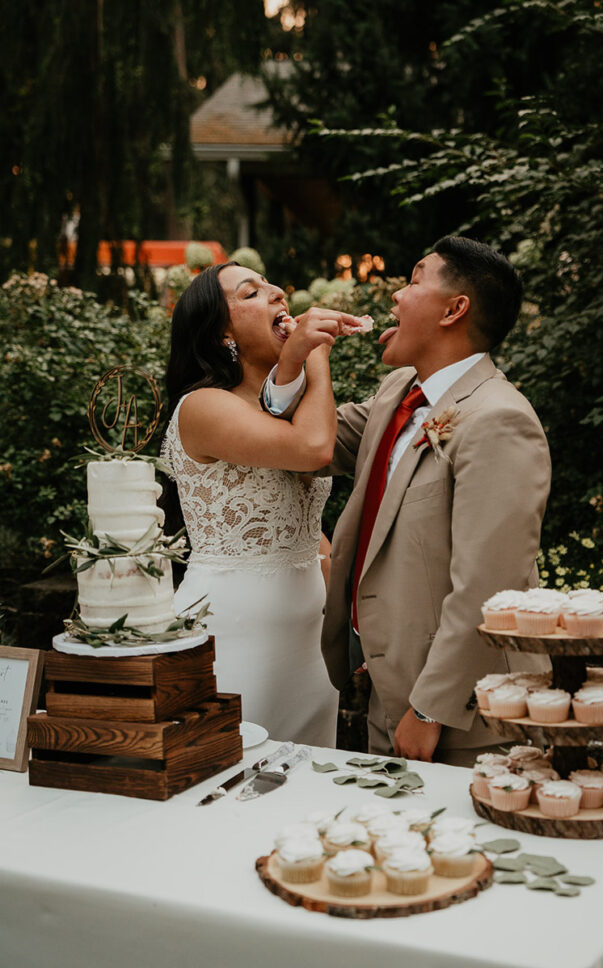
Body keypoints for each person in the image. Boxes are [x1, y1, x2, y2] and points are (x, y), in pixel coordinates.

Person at [263, 235, 551, 765]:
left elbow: (490, 588)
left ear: (454, 309)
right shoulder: (398, 391)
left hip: (470, 714)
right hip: (388, 695)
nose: (396, 295)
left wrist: (430, 710)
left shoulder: (500, 420)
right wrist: (298, 358)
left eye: (415, 280)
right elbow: (306, 444)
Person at [160, 261, 363, 747]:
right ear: (221, 333)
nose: (275, 293)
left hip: (309, 640)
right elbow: (315, 450)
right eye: (251, 292)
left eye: (273, 285)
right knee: (228, 782)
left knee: (304, 791)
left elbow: (293, 516)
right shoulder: (203, 406)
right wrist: (314, 356)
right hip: (234, 630)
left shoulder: (291, 411)